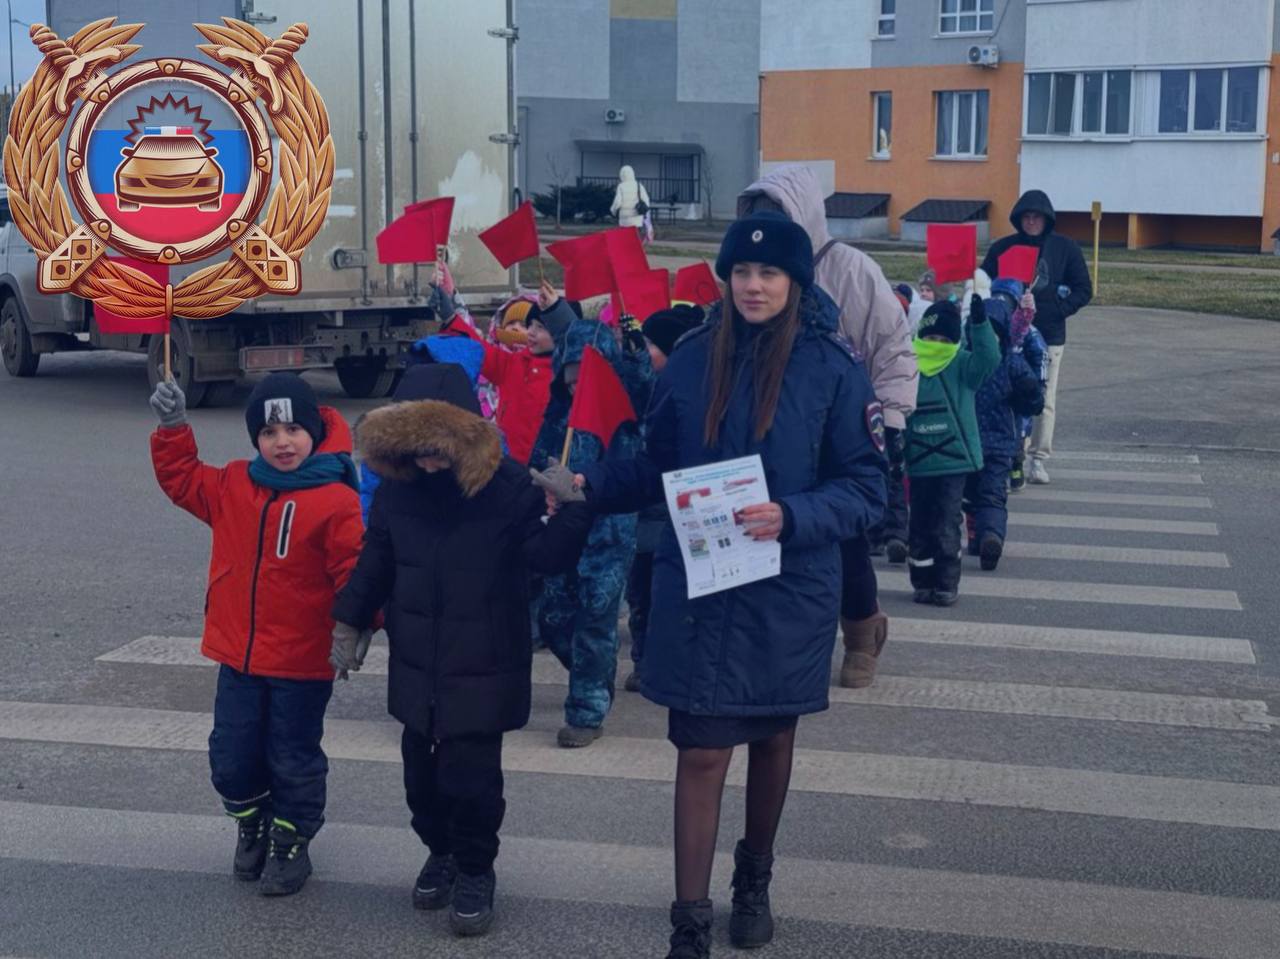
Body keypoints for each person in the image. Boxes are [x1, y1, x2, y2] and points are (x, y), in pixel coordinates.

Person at [537, 212, 886, 958]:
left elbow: (865, 487)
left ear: (795, 282)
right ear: (727, 278)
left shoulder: (831, 367)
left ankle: (753, 878)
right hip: (700, 584)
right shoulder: (692, 359)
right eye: (742, 272)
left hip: (788, 587)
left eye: (770, 274)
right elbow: (658, 467)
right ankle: (688, 919)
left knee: (771, 736)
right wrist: (585, 483)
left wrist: (792, 515)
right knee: (699, 749)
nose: (754, 285)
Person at [330, 364, 593, 937]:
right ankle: (440, 850)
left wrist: (573, 507)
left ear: (463, 437)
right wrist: (349, 622)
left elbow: (546, 557)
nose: (426, 461)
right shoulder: (400, 494)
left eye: (436, 448)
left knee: (470, 781)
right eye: (413, 449)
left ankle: (475, 868)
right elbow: (376, 560)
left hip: (483, 661)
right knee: (419, 784)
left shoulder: (508, 492)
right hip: (419, 661)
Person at [149, 372, 365, 896]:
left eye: (293, 429)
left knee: (292, 757)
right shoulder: (234, 484)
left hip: (302, 663)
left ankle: (292, 842)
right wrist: (174, 426)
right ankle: (252, 821)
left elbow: (357, 573)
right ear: (255, 440)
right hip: (239, 658)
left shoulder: (334, 499)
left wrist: (355, 625)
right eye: (269, 433)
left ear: (313, 431)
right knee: (232, 755)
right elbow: (183, 480)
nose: (282, 442)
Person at [737, 165, 914, 689]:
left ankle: (862, 634)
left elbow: (892, 344)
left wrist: (893, 416)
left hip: (842, 421)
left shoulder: (851, 269)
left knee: (845, 540)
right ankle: (773, 639)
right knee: (767, 528)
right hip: (773, 421)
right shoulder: (749, 274)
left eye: (780, 217)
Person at [528, 313, 653, 747]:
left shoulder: (625, 416)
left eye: (588, 378)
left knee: (597, 616)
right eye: (571, 378)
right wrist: (539, 490)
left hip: (610, 527)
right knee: (555, 616)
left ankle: (586, 709)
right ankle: (596, 673)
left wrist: (634, 349)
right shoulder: (558, 415)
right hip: (563, 529)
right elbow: (538, 460)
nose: (578, 387)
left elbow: (642, 385)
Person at [980, 189, 1093, 484]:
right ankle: (1013, 454)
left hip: (1050, 336)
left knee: (1044, 398)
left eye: (1037, 217)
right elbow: (982, 283)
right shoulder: (1003, 248)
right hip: (1008, 337)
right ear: (1019, 219)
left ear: (1047, 219)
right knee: (1007, 395)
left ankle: (1038, 459)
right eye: (1026, 217)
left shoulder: (1065, 249)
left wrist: (1058, 309)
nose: (1031, 222)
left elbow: (1084, 289)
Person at [623, 303, 705, 693]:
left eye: (652, 344)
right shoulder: (645, 385)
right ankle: (643, 659)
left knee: (674, 597)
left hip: (681, 515)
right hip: (647, 517)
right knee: (641, 596)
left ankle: (672, 659)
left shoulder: (685, 391)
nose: (646, 351)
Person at [904, 298, 1000, 606]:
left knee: (946, 522)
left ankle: (946, 583)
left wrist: (980, 325)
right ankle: (922, 581)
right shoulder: (906, 364)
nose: (936, 345)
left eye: (945, 340)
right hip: (918, 462)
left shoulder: (962, 365)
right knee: (919, 525)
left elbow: (989, 358)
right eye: (931, 338)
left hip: (952, 462)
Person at [436, 278, 578, 464]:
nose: (531, 333)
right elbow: (476, 348)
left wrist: (557, 311)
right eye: (531, 325)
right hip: (508, 466)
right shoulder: (513, 364)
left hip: (549, 471)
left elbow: (577, 339)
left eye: (541, 328)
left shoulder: (568, 374)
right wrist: (449, 317)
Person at [963, 278, 1043, 571]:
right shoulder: (1011, 362)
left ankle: (975, 538)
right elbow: (1033, 398)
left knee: (969, 496)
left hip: (967, 441)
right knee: (993, 495)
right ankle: (991, 535)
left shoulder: (965, 360)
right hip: (999, 445)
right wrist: (1027, 400)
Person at [610, 164, 651, 232]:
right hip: (637, 218)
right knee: (635, 237)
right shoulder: (639, 185)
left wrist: (613, 211)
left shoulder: (621, 186)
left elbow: (617, 202)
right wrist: (645, 213)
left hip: (624, 218)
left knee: (624, 238)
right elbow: (646, 200)